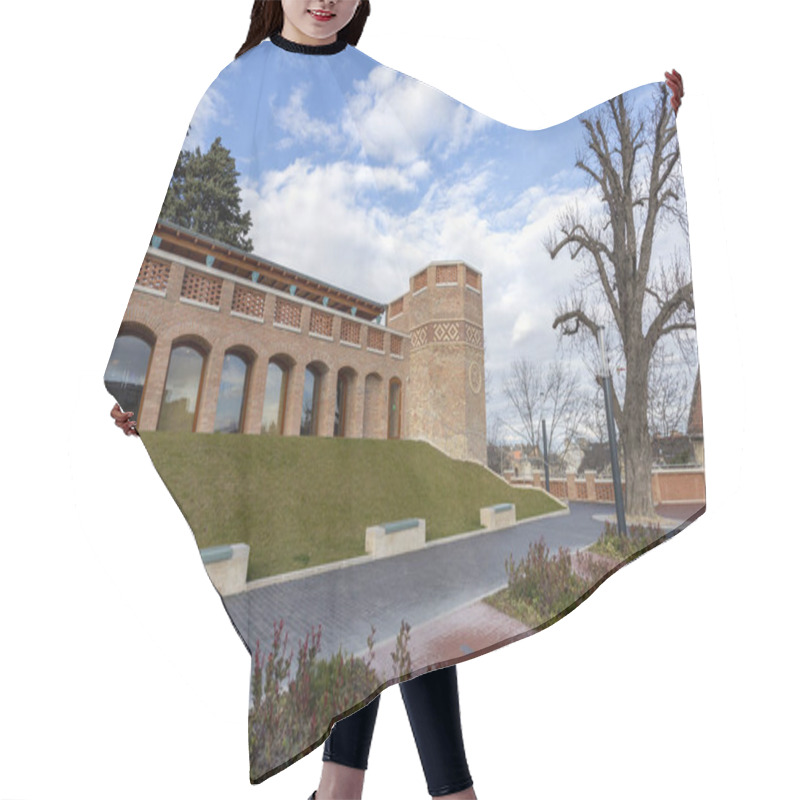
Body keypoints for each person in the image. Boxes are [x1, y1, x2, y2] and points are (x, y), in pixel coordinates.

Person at [109, 2, 684, 797]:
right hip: (314, 471)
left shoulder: (377, 80)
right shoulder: (235, 83)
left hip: (385, 448)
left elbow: (505, 147)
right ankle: (418, 791)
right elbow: (166, 238)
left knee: (392, 626)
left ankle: (358, 790)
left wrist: (643, 111)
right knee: (370, 618)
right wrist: (129, 389)